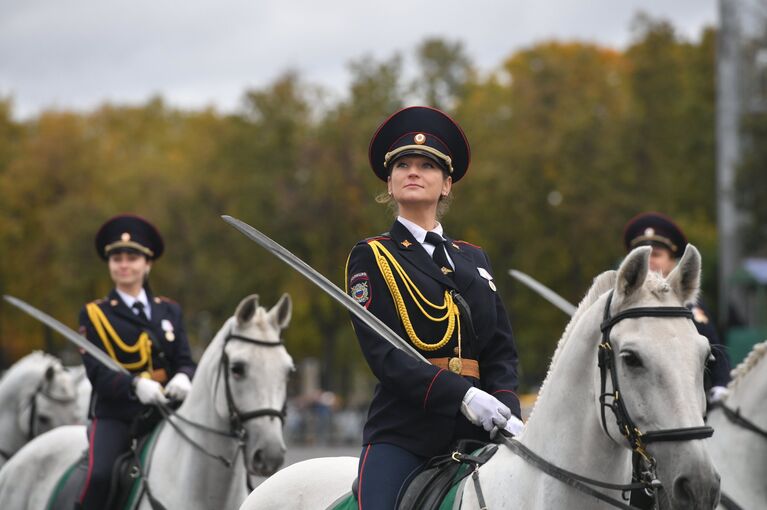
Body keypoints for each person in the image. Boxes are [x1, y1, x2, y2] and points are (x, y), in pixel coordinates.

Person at [345, 106, 523, 510]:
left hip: (481, 434)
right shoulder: (373, 256)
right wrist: (463, 395)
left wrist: (505, 406)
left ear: (446, 185)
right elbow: (384, 355)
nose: (413, 171)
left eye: (426, 166)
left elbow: (499, 349)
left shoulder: (474, 258)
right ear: (389, 184)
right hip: (404, 434)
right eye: (403, 165)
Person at [76, 214, 196, 509]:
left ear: (148, 263)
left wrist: (183, 377)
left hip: (167, 412)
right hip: (118, 415)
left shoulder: (169, 311)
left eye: (132, 257)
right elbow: (97, 374)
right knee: (100, 477)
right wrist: (134, 386)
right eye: (117, 258)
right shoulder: (95, 314)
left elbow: (184, 360)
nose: (124, 265)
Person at [623, 212, 731, 402]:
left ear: (672, 261)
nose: (649, 261)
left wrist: (720, 385)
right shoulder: (617, 301)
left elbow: (714, 349)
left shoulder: (689, 303)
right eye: (641, 256)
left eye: (656, 255)